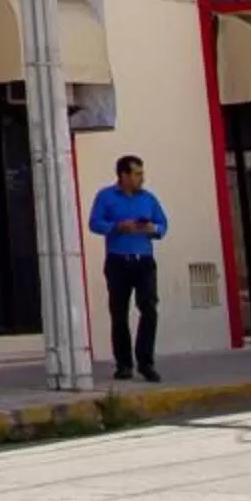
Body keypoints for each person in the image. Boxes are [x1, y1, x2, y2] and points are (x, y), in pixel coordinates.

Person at [88, 154, 167, 382]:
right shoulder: (106, 196)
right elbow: (94, 223)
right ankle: (124, 364)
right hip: (118, 261)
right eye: (137, 173)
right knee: (119, 313)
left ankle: (146, 362)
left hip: (144, 260)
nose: (142, 178)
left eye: (142, 173)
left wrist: (153, 228)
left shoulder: (149, 199)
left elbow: (163, 224)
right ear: (123, 175)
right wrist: (116, 227)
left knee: (149, 308)